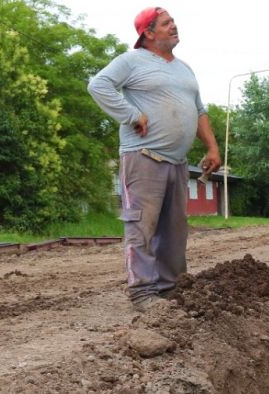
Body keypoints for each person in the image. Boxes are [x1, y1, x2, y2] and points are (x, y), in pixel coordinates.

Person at [88, 7, 221, 312]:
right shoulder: (131, 61)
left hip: (177, 162)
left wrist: (212, 147)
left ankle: (171, 289)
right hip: (143, 158)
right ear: (148, 33)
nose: (174, 26)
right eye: (166, 23)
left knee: (175, 230)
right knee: (142, 227)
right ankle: (143, 293)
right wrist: (131, 115)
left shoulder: (184, 68)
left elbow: (199, 111)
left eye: (173, 21)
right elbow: (98, 85)